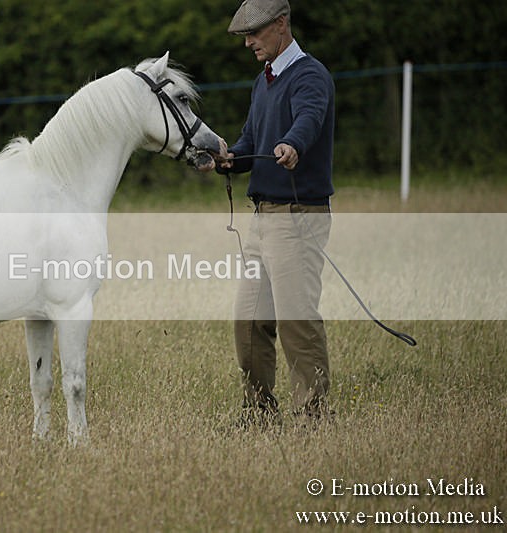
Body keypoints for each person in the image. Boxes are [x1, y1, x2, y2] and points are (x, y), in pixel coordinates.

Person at [217, 0, 336, 427]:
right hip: (261, 219)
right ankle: (260, 415)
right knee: (248, 323)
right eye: (245, 36)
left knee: (296, 322)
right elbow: (251, 141)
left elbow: (309, 119)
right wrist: (229, 159)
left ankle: (313, 419)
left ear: (281, 24)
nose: (248, 42)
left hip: (297, 217)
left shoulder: (310, 75)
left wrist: (293, 144)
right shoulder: (262, 82)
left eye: (254, 33)